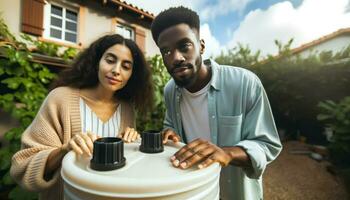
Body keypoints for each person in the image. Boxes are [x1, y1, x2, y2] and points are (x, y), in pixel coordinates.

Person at [151, 6, 282, 200]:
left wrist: (227, 153)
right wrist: (169, 133)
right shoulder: (170, 90)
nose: (176, 57)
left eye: (184, 46)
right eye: (166, 51)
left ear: (201, 46)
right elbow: (171, 126)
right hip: (192, 192)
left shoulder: (244, 82)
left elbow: (267, 145)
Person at [10, 34, 154, 200]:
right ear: (97, 62)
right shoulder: (60, 99)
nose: (116, 70)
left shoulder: (127, 109)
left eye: (126, 66)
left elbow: (124, 167)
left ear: (132, 75)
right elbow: (22, 165)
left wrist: (132, 143)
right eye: (110, 60)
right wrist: (65, 150)